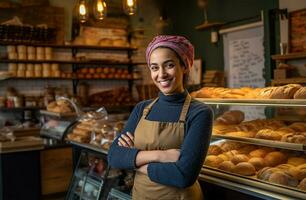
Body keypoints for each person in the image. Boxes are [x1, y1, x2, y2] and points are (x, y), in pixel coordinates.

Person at [108, 35, 213, 200]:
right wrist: (161, 156)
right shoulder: (142, 109)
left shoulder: (199, 113)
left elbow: (183, 175)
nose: (161, 74)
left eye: (169, 65)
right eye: (154, 67)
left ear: (184, 66)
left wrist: (134, 162)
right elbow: (114, 156)